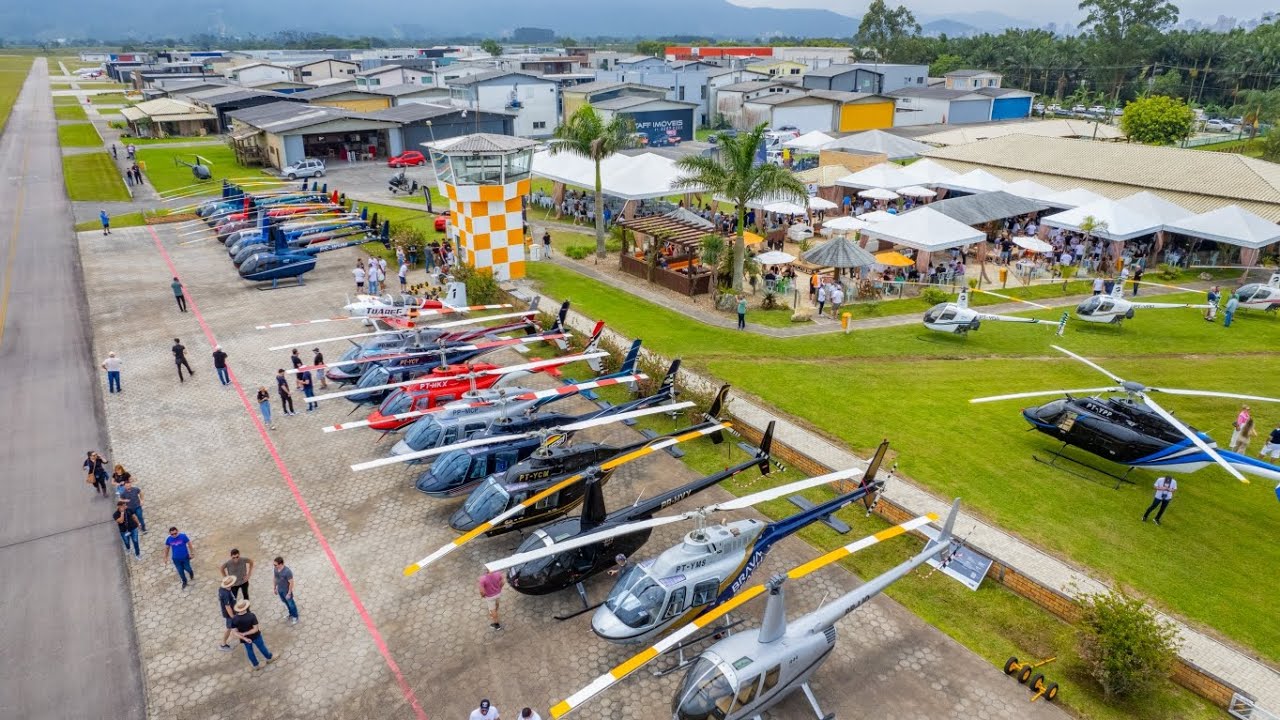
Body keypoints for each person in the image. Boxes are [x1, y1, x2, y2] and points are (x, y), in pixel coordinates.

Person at [229, 600, 274, 670]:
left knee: (249, 651)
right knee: (261, 647)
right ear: (246, 607)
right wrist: (245, 633)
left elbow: (234, 632)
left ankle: (256, 666)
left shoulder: (234, 619)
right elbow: (255, 629)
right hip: (256, 636)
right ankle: (269, 658)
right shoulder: (251, 616)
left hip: (245, 639)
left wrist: (245, 638)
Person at [273, 557, 298, 624]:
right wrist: (274, 588)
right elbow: (275, 578)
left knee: (291, 604)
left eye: (275, 565)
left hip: (286, 591)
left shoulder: (287, 572)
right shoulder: (276, 569)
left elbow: (291, 583)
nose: (274, 566)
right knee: (285, 602)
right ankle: (290, 613)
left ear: (280, 564)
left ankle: (295, 616)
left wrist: (289, 593)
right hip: (280, 590)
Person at [218, 576, 238, 651]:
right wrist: (232, 616)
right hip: (229, 614)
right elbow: (227, 607)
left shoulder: (223, 589)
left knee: (232, 626)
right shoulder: (225, 594)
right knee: (228, 628)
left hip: (232, 610)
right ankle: (223, 644)